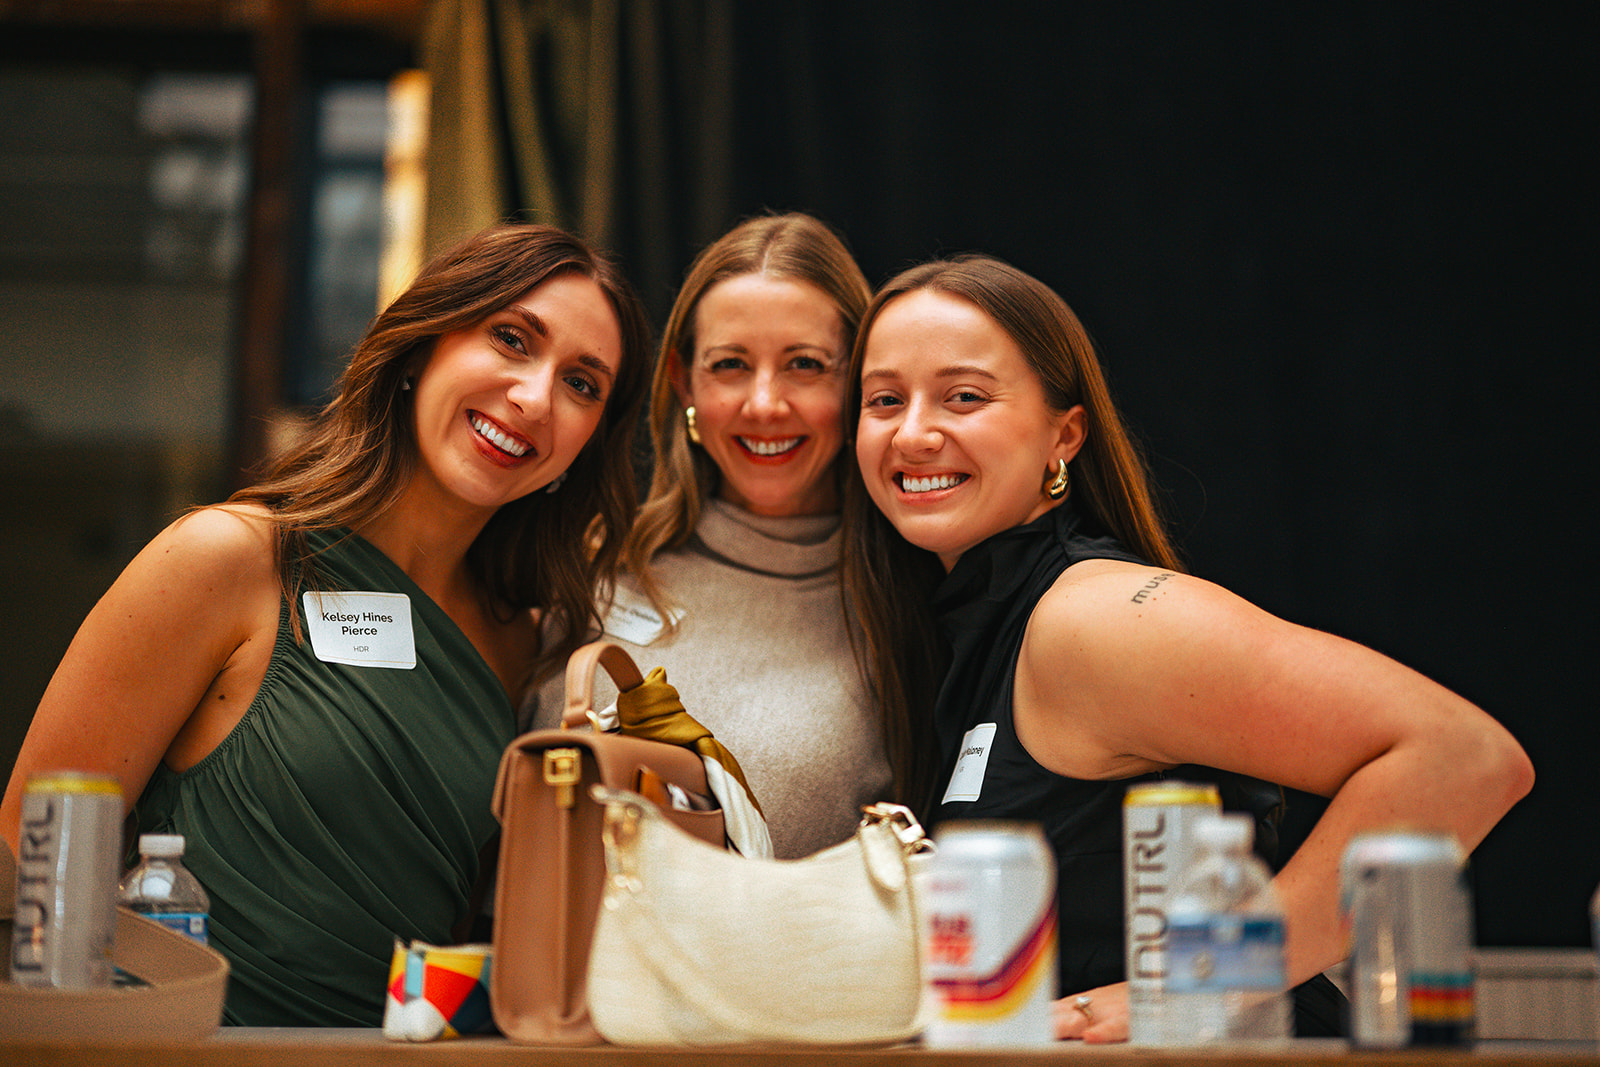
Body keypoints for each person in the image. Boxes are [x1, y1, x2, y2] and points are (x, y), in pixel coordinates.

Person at [843, 254, 1534, 1042]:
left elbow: (1465, 756)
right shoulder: (971, 629)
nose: (914, 431)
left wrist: (1199, 977)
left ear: (1063, 435)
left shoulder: (1094, 618)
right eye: (884, 400)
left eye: (964, 396)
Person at [0, 223, 652, 1026]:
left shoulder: (525, 644)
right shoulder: (228, 560)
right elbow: (25, 856)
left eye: (582, 384)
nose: (534, 396)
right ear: (422, 348)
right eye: (511, 339)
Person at [530, 212, 891, 858]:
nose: (764, 403)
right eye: (731, 365)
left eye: (805, 364)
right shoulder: (593, 565)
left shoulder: (904, 609)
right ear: (682, 379)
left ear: (859, 380)